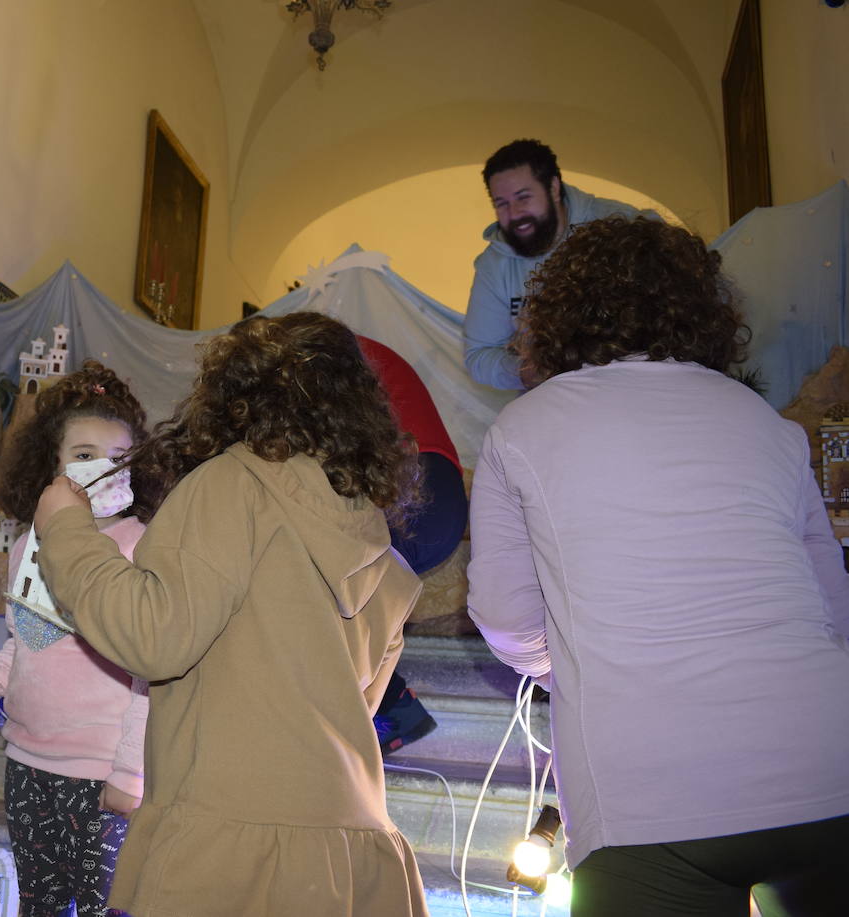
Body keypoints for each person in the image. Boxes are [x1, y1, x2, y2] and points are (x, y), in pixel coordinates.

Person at [467, 215, 849, 916]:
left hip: (650, 797)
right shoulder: (766, 423)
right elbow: (835, 609)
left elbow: (505, 615)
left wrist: (577, 663)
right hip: (829, 765)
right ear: (701, 310)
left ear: (560, 313)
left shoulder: (523, 426)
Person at [33, 313, 430, 917]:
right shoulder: (382, 550)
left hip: (229, 848)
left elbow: (153, 636)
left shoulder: (231, 486)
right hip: (350, 853)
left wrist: (66, 530)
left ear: (234, 396)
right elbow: (356, 706)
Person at [0, 361, 152, 917]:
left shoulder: (143, 547)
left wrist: (130, 773)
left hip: (102, 775)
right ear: (51, 465)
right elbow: (25, 642)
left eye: (118, 457)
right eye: (84, 454)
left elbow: (151, 675)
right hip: (27, 766)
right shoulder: (27, 546)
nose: (102, 469)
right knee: (41, 906)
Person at [356, 335, 469, 755]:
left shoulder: (308, 359)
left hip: (417, 487)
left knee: (320, 582)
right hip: (433, 490)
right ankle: (389, 710)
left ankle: (389, 711)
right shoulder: (340, 349)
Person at [463, 138, 648, 391]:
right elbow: (479, 356)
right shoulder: (494, 264)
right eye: (501, 204)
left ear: (553, 188)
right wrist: (528, 371)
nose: (514, 214)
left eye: (523, 197)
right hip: (555, 397)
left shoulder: (625, 226)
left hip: (636, 387)